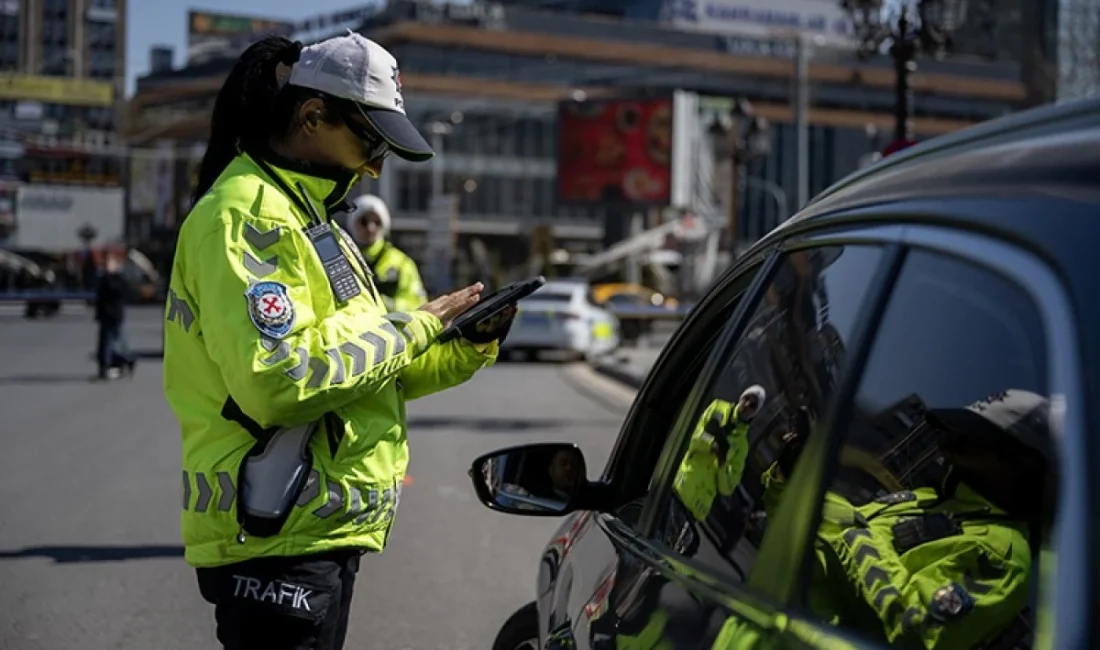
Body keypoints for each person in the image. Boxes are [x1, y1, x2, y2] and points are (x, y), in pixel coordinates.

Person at [163, 33, 516, 650]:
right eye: (370, 140)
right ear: (312, 115)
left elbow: (371, 369)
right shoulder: (249, 214)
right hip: (273, 529)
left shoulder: (316, 219)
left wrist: (465, 344)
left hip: (311, 531)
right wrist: (415, 326)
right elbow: (280, 381)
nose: (376, 164)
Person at [753, 389, 1050, 650]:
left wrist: (847, 533)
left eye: (968, 439)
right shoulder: (927, 499)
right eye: (952, 432)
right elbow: (809, 527)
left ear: (1018, 461)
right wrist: (795, 476)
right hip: (756, 624)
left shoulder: (1003, 556)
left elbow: (912, 632)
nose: (945, 445)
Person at [346, 194, 427, 311]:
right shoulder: (342, 258)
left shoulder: (402, 263)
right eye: (364, 221)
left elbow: (418, 306)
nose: (370, 228)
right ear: (353, 224)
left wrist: (385, 304)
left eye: (377, 222)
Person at [94, 251, 135, 380]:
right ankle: (105, 368)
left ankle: (124, 361)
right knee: (105, 343)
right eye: (105, 263)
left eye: (109, 263)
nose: (106, 266)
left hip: (115, 315)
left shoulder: (118, 279)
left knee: (113, 343)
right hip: (105, 315)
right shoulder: (102, 279)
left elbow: (118, 292)